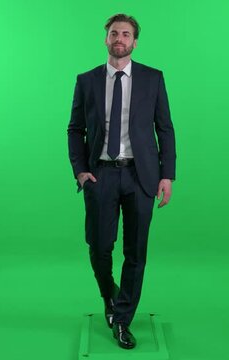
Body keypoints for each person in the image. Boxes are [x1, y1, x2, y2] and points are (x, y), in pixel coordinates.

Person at [67, 13, 176, 350]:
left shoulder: (152, 78)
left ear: (134, 42)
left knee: (136, 251)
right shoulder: (86, 80)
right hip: (100, 174)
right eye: (114, 33)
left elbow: (165, 128)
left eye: (126, 34)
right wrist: (80, 170)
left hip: (141, 175)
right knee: (99, 246)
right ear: (106, 39)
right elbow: (75, 129)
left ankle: (122, 318)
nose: (119, 39)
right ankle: (109, 294)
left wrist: (167, 175)